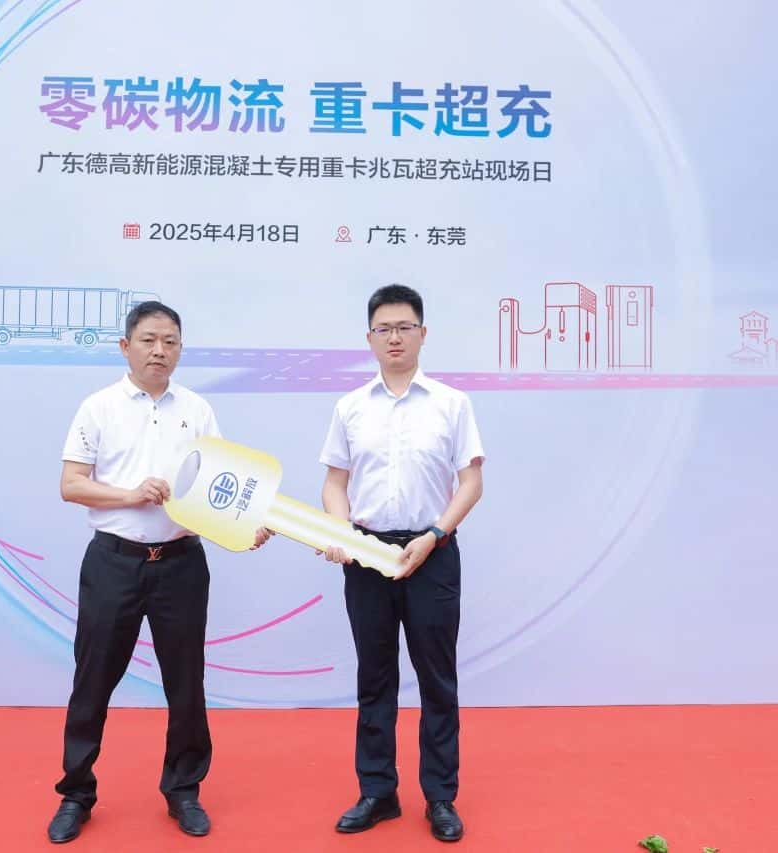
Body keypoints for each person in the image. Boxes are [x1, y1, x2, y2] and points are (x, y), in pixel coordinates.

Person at [46, 301, 270, 843]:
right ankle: (76, 793)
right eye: (148, 340)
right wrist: (131, 493)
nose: (159, 351)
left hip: (180, 565)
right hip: (113, 562)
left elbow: (219, 490)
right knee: (92, 680)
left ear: (180, 349)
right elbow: (71, 485)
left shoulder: (197, 410)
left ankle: (183, 789)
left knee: (186, 682)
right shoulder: (98, 408)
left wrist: (246, 527)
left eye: (170, 341)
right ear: (126, 347)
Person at [318, 284, 485, 843]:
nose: (394, 337)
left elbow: (471, 482)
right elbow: (335, 482)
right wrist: (339, 531)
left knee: (437, 678)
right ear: (369, 338)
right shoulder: (350, 407)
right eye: (384, 328)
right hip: (367, 556)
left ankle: (440, 796)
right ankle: (377, 791)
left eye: (405, 327)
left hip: (431, 553)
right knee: (375, 677)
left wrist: (435, 534)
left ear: (423, 334)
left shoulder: (451, 403)